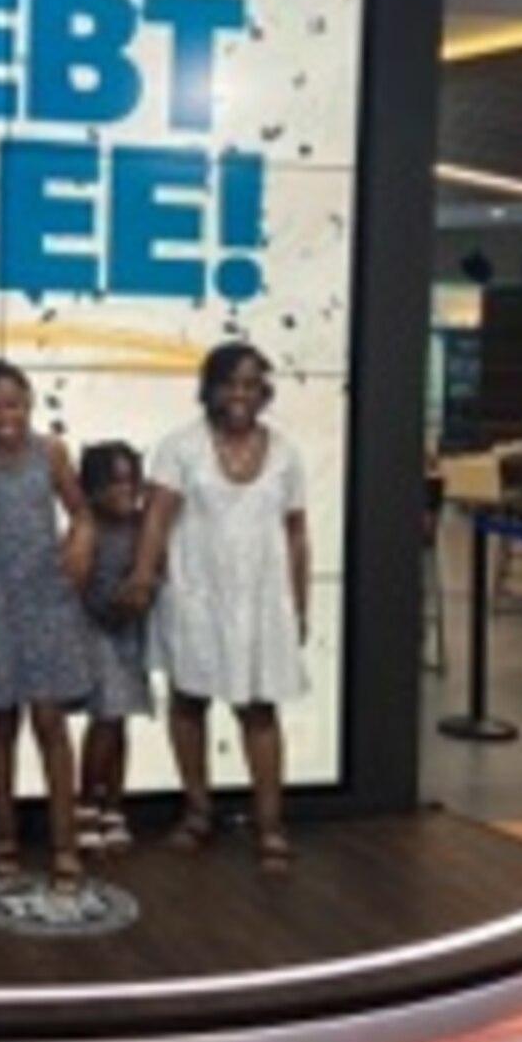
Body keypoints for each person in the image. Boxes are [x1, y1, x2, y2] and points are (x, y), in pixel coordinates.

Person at [126, 341, 309, 871]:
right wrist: (142, 577)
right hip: (194, 596)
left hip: (260, 602)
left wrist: (298, 601)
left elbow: (297, 533)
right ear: (210, 388)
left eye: (251, 383)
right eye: (230, 382)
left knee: (259, 710)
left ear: (264, 390)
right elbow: (157, 519)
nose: (240, 393)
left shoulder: (286, 453)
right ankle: (198, 812)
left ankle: (270, 825)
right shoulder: (180, 446)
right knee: (189, 703)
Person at [0, 359, 93, 889]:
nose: (3, 415)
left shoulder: (51, 452)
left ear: (29, 403)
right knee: (1, 723)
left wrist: (80, 537)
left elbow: (81, 510)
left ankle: (64, 843)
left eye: (12, 403)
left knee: (51, 722)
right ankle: (3, 835)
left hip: (48, 597)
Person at [74, 441, 153, 855]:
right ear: (92, 488)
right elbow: (75, 582)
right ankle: (85, 803)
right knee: (105, 717)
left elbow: (154, 570)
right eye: (114, 482)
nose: (125, 490)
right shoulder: (87, 527)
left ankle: (113, 805)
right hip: (95, 630)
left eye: (131, 480)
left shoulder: (143, 526)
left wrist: (142, 592)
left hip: (128, 631)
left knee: (120, 720)